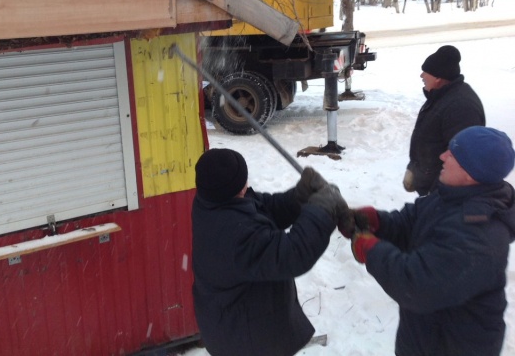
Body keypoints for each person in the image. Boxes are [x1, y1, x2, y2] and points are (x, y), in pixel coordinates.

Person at [347, 126, 515, 356]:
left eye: (453, 154)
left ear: (470, 173)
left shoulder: (479, 235)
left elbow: (416, 285)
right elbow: (415, 220)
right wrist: (378, 222)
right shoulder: (455, 194)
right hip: (426, 337)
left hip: (453, 347)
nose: (442, 156)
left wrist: (372, 251)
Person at [191, 148, 352, 356]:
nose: (247, 187)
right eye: (244, 183)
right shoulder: (234, 233)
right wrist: (323, 210)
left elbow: (261, 209)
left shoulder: (212, 203)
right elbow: (292, 253)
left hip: (234, 323)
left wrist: (299, 197)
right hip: (245, 342)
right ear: (238, 189)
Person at [404, 45, 485, 196]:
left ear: (438, 77)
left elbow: (461, 158)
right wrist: (414, 169)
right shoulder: (441, 96)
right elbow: (430, 140)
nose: (422, 75)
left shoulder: (461, 107)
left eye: (426, 72)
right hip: (432, 185)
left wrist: (438, 194)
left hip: (443, 191)